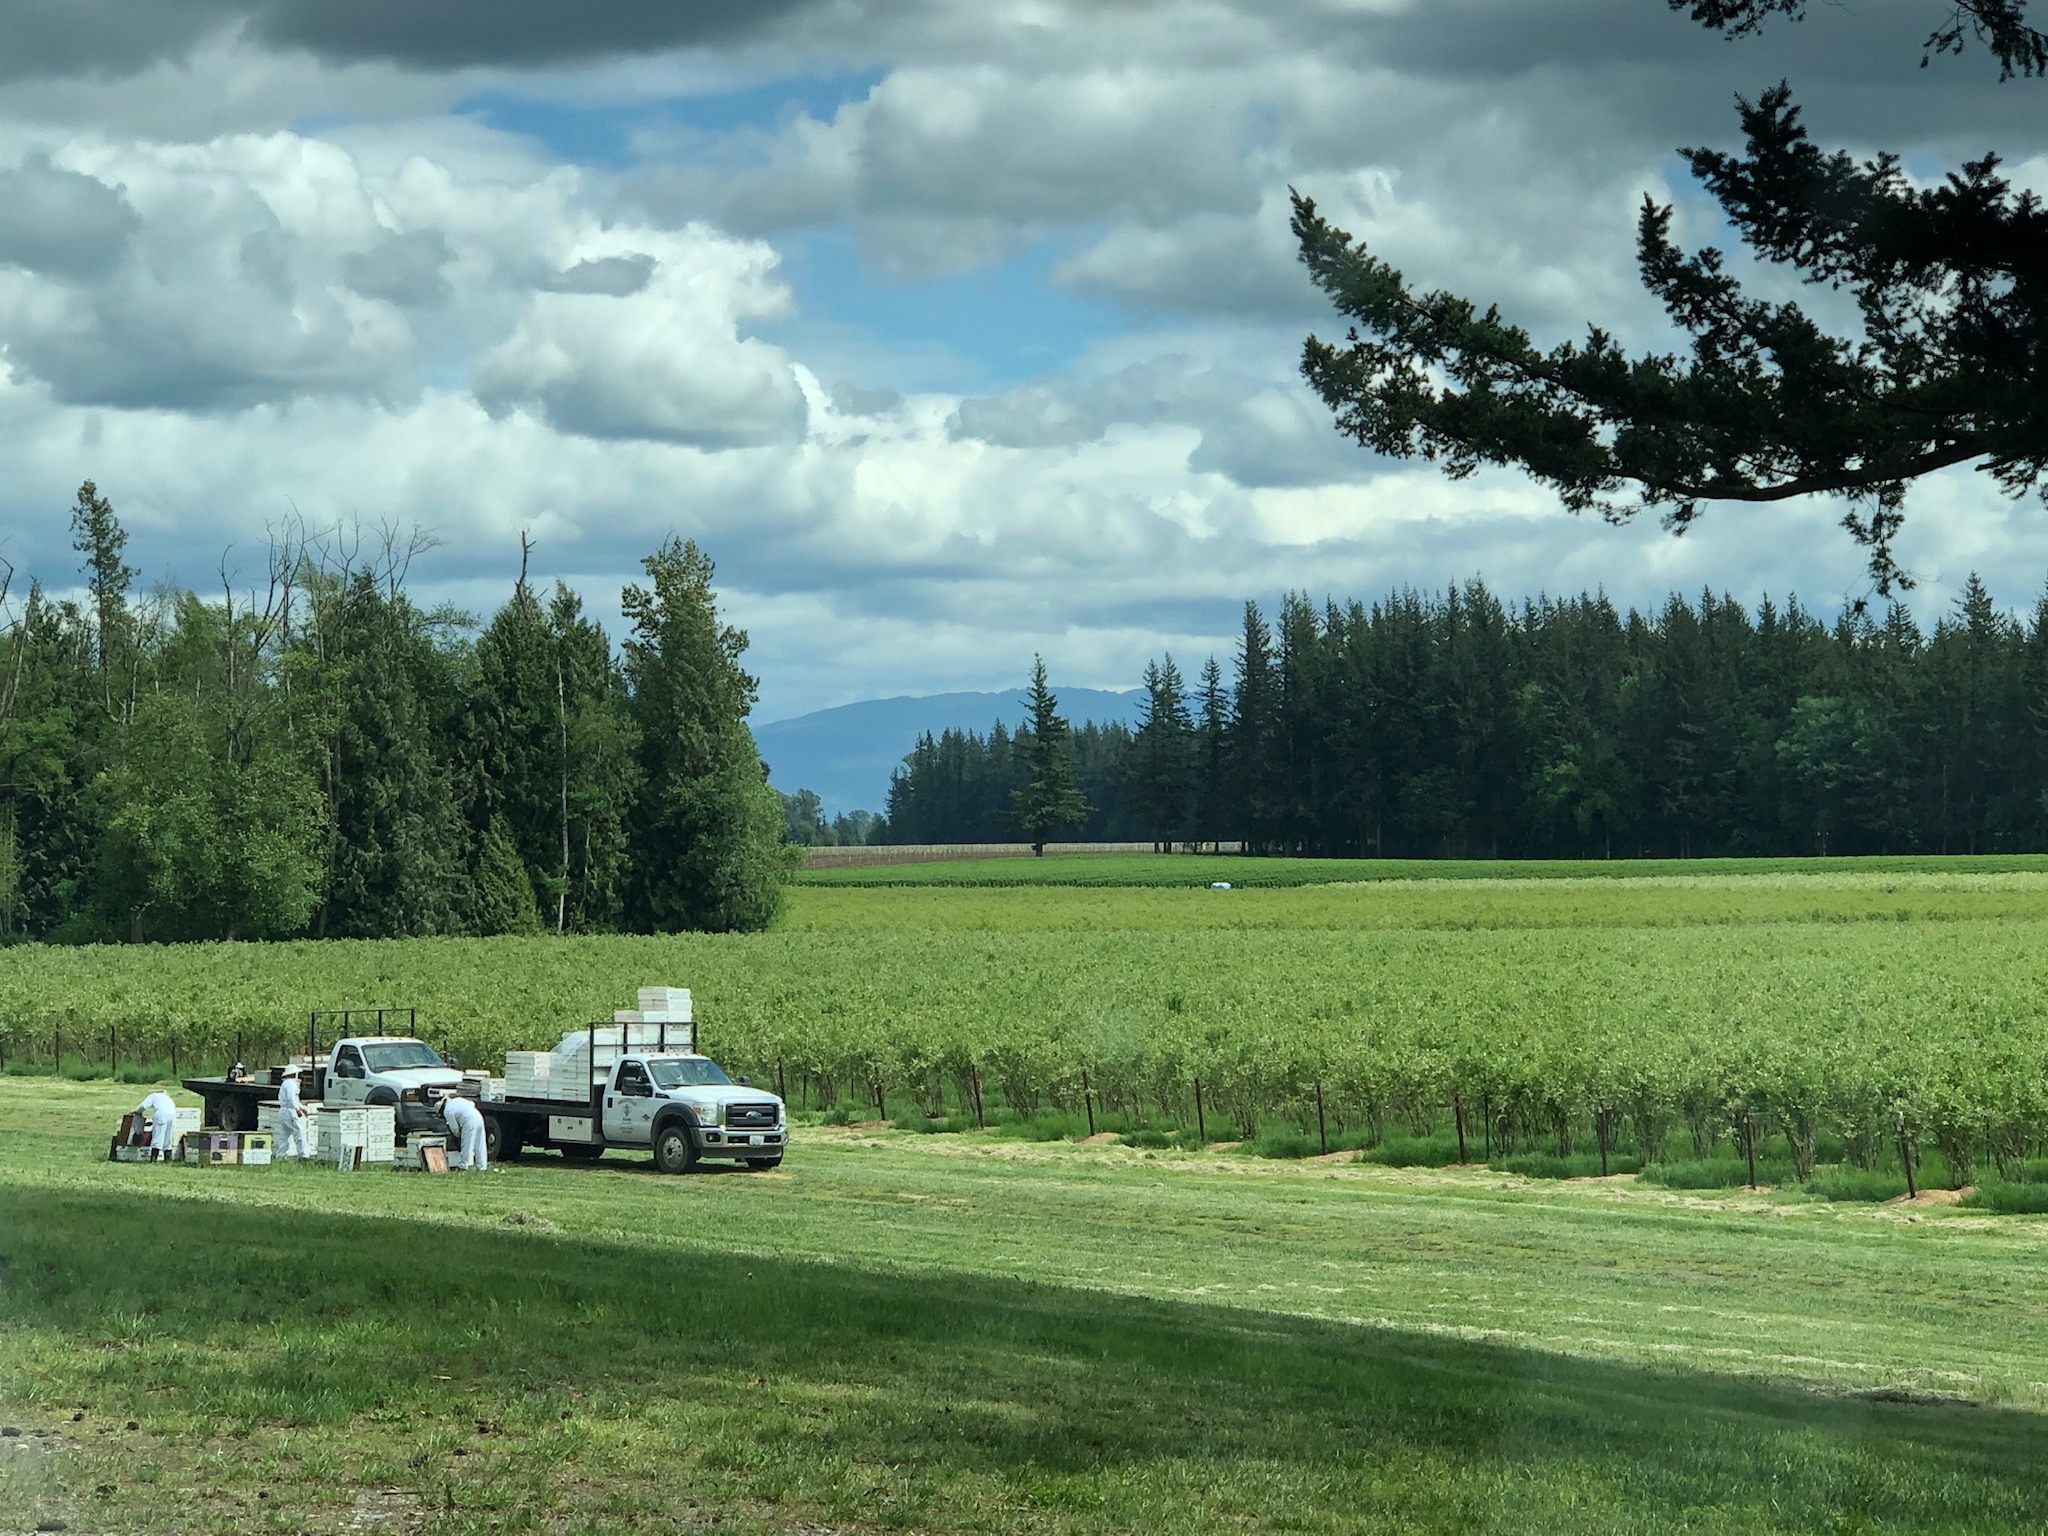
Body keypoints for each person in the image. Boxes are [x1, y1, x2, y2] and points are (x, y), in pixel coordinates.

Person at [440, 1091, 488, 1172]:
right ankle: (482, 1166)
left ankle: (463, 1165)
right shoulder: (458, 1100)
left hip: (468, 1122)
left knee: (466, 1144)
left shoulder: (447, 1111)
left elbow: (454, 1128)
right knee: (480, 1143)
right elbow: (472, 1104)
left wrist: (458, 1136)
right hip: (478, 1117)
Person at [275, 1068, 312, 1160]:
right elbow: (291, 1098)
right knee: (299, 1132)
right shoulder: (290, 1084)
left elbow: (294, 1100)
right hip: (290, 1111)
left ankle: (281, 1156)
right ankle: (303, 1155)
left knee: (284, 1135)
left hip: (283, 1110)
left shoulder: (285, 1083)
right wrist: (298, 1109)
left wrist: (302, 1108)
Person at [135, 1090, 180, 1162]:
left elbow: (143, 1106)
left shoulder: (154, 1096)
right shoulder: (168, 1098)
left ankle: (154, 1159)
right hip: (172, 1116)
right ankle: (168, 1159)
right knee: (168, 1138)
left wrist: (136, 1111)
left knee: (158, 1137)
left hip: (161, 1115)